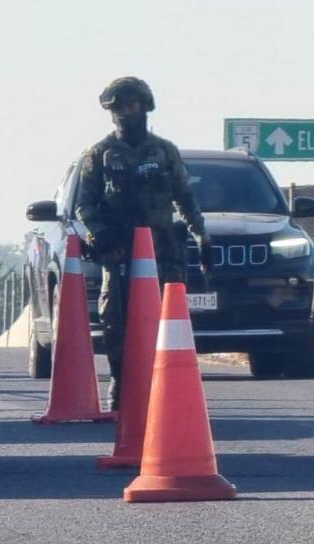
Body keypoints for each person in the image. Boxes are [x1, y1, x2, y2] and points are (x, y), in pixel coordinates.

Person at [75, 76, 211, 410]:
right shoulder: (99, 154)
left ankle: (169, 390)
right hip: (120, 250)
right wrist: (99, 235)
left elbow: (184, 198)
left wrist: (201, 235)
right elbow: (85, 204)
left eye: (131, 105)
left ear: (145, 107)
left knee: (169, 322)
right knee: (116, 320)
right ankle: (121, 384)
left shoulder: (164, 152)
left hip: (162, 250)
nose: (125, 113)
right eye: (118, 107)